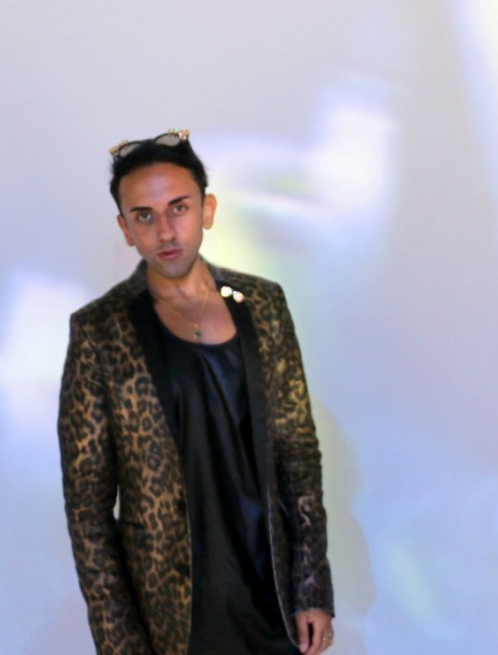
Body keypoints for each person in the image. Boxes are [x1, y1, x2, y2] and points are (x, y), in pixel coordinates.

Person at [58, 129, 335, 655]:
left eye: (178, 208)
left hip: (272, 597)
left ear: (207, 209)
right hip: (172, 615)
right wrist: (120, 643)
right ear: (125, 229)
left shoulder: (264, 304)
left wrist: (311, 587)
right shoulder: (100, 331)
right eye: (144, 215)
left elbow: (297, 455)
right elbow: (87, 510)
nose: (165, 230)